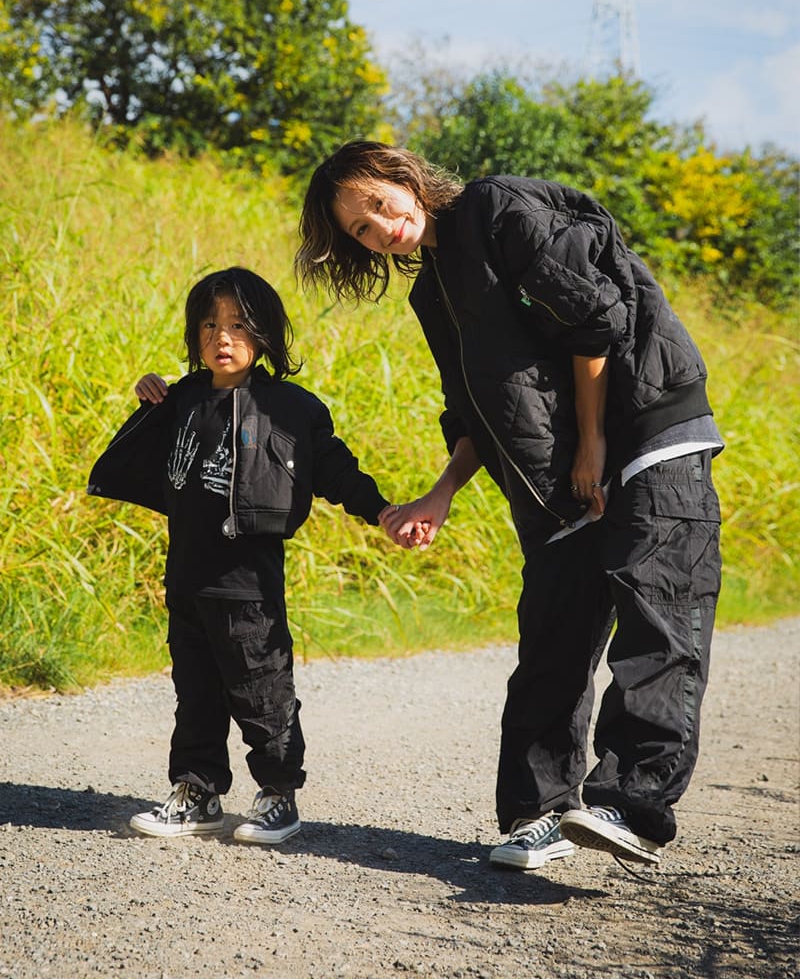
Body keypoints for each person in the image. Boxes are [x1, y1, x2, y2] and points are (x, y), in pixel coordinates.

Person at [296, 141, 724, 871]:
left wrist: (592, 441)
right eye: (360, 230)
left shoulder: (497, 208)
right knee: (553, 633)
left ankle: (632, 801)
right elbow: (470, 413)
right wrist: (440, 493)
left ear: (404, 178)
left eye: (377, 203)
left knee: (658, 611)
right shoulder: (431, 291)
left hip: (643, 427)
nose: (380, 226)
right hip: (562, 479)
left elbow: (595, 320)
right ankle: (543, 813)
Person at [88, 267, 393, 844]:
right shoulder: (181, 400)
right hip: (187, 579)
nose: (221, 338)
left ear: (264, 336)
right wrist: (150, 396)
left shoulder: (290, 408)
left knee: (262, 692)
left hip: (248, 586)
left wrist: (381, 510)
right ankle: (197, 793)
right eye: (208, 325)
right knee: (195, 694)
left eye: (235, 325)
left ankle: (279, 796)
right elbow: (139, 457)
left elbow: (336, 471)